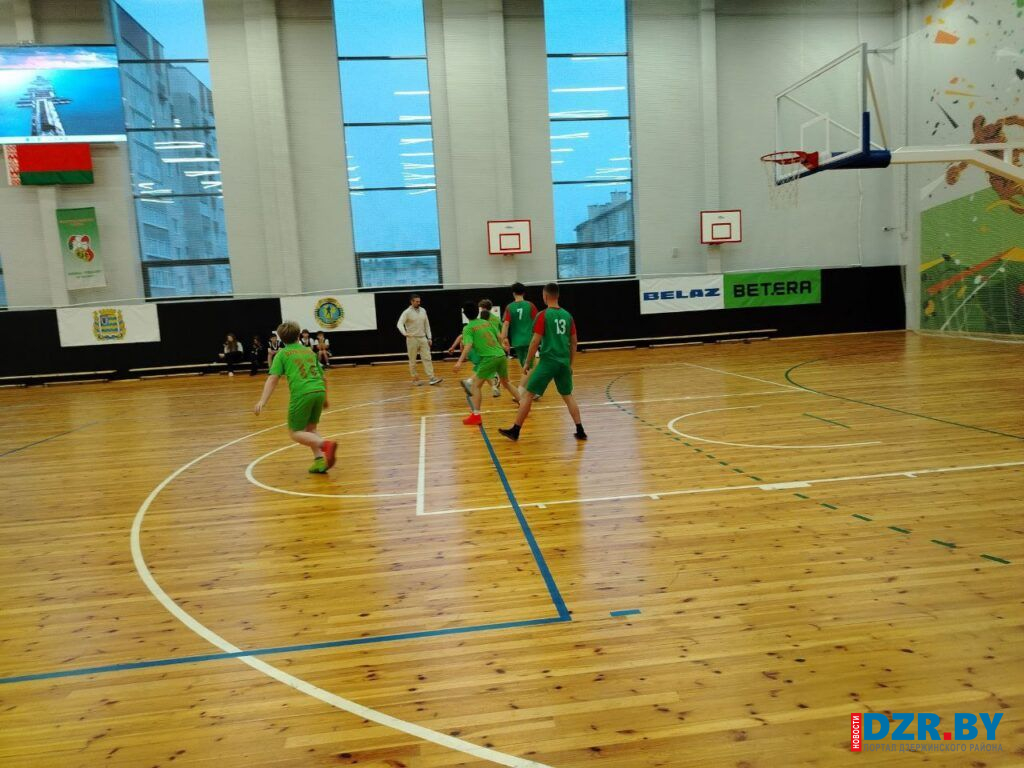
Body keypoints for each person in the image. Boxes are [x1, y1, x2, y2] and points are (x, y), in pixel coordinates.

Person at [499, 282, 586, 442]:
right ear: (558, 295)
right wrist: (570, 364)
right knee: (568, 395)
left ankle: (515, 431)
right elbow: (574, 343)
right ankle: (580, 430)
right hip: (563, 362)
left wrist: (527, 362)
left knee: (528, 395)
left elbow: (535, 342)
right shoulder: (568, 316)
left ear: (545, 296)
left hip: (548, 362)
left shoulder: (543, 315)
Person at [253, 321, 338, 474]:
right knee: (311, 429)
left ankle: (325, 445)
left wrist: (262, 400)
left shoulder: (282, 354)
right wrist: (325, 398)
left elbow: (273, 379)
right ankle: (319, 460)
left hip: (302, 394)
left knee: (295, 433)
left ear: (280, 338)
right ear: (299, 336)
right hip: (318, 390)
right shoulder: (309, 352)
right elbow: (324, 377)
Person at [454, 304, 519, 425]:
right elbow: (499, 336)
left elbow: (468, 345)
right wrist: (502, 346)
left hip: (489, 358)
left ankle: (476, 416)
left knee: (475, 386)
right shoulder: (486, 322)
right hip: (501, 355)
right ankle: (523, 403)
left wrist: (459, 362)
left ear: (465, 315)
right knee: (506, 383)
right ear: (477, 312)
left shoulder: (468, 328)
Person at [501, 282, 539, 395]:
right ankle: (521, 391)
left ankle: (531, 391)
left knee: (527, 366)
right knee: (529, 367)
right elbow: (537, 322)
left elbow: (506, 324)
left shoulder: (509, 307)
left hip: (517, 342)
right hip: (530, 340)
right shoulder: (530, 305)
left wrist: (504, 339)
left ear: (513, 293)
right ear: (524, 293)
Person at [397, 294, 442, 386]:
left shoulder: (423, 310)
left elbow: (427, 325)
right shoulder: (407, 312)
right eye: (417, 301)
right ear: (412, 301)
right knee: (412, 360)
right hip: (412, 339)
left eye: (419, 301)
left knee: (427, 358)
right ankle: (415, 379)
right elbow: (399, 323)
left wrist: (429, 337)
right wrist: (404, 333)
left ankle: (432, 378)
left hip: (423, 338)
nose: (419, 303)